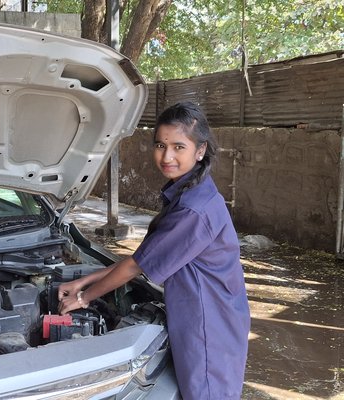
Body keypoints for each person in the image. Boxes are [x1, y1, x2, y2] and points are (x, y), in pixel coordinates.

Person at [57, 101, 250, 400]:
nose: (167, 156)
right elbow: (145, 256)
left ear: (200, 151)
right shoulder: (189, 192)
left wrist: (84, 298)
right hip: (207, 313)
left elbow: (135, 266)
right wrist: (82, 281)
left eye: (178, 147)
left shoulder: (193, 209)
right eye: (161, 145)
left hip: (209, 325)